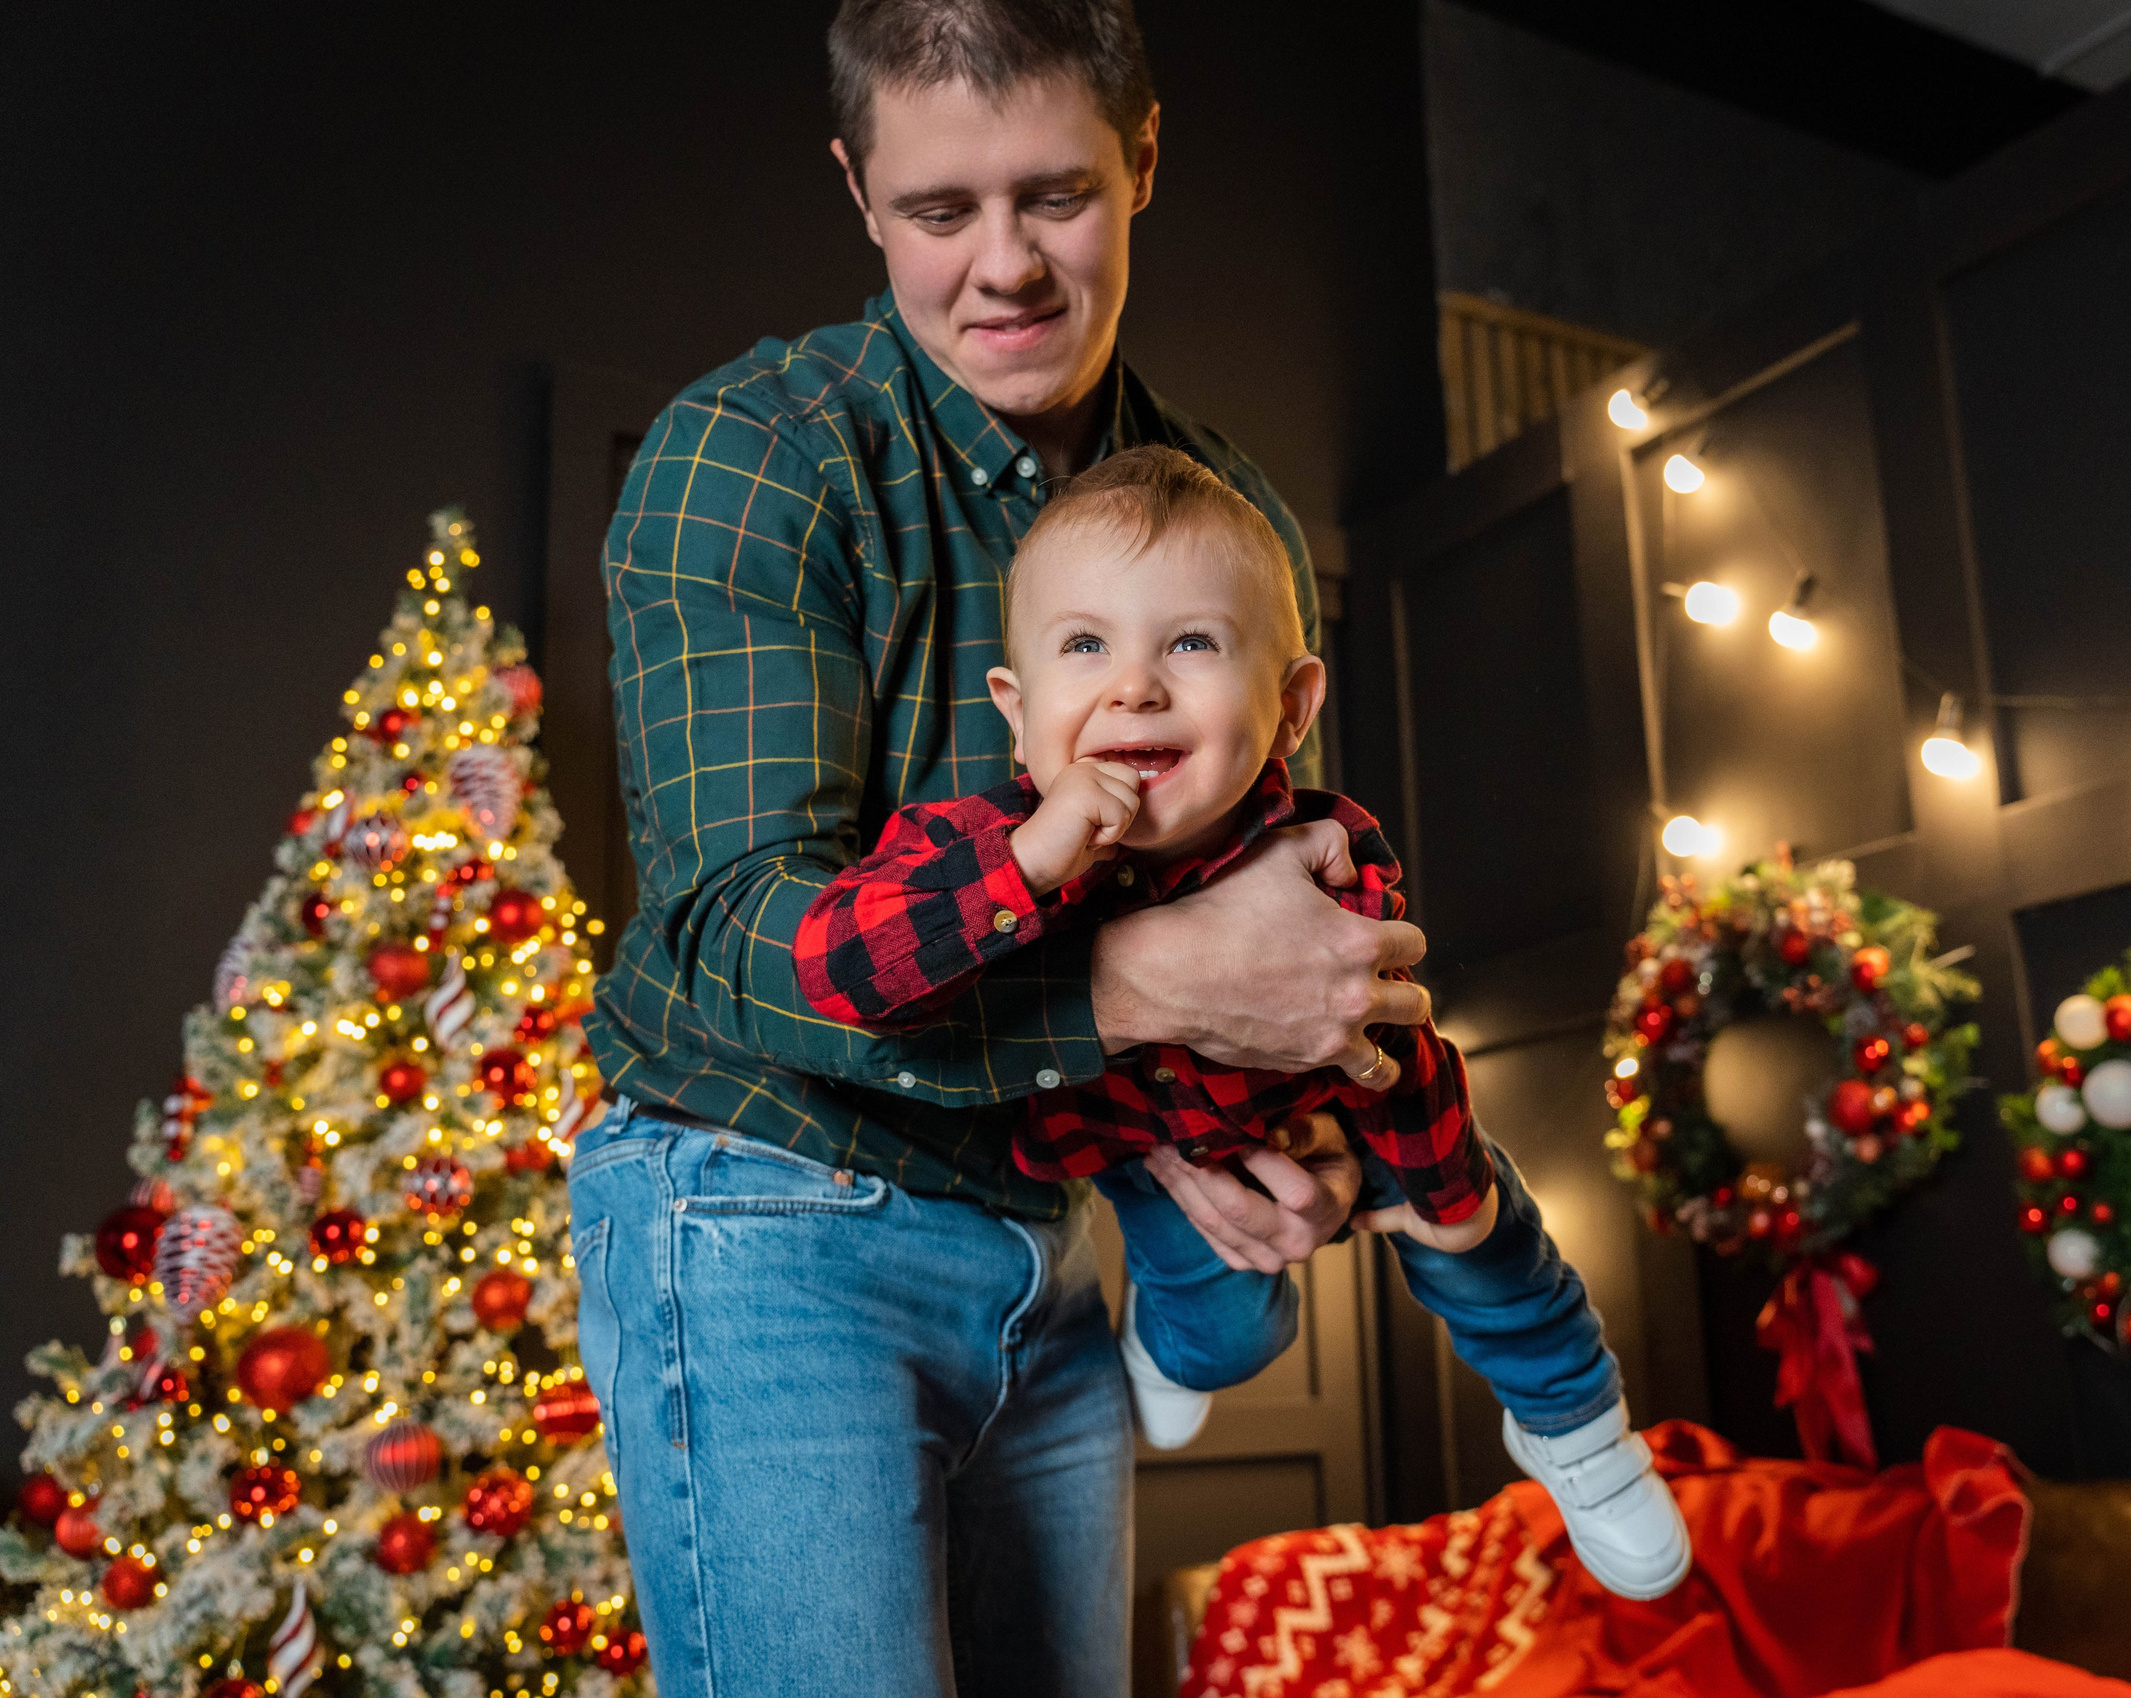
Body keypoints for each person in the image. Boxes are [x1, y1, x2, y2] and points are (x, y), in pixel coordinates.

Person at [566, 3, 1428, 1693]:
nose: (1008, 267)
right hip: (767, 1216)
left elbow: (1255, 901)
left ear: (1148, 157)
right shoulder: (753, 459)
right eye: (941, 211)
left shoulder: (1230, 517)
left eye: (1059, 196)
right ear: (858, 187)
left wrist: (1316, 1132)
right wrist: (1148, 990)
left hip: (1054, 1249)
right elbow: (738, 939)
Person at [794, 445, 1696, 1602]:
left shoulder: (1318, 852)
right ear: (1017, 715)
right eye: (1084, 646)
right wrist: (1023, 867)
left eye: (1191, 644)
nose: (1133, 687)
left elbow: (1394, 1047)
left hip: (1347, 1121)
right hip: (1142, 1156)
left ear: (1289, 705)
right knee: (1229, 1335)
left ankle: (1575, 1427)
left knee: (1493, 1256)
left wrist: (1444, 1194)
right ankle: (1178, 1342)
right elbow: (838, 972)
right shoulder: (973, 844)